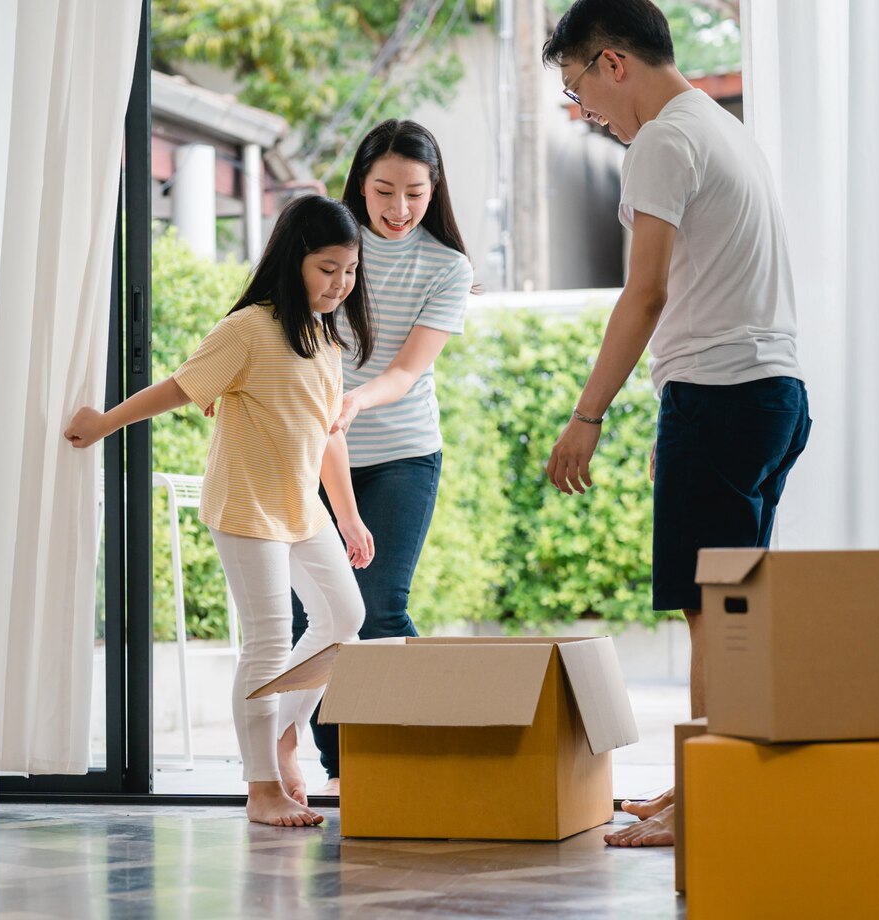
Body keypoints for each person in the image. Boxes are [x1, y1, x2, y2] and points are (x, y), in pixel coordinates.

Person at [540, 0, 812, 847]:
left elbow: (648, 292)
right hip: (768, 395)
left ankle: (707, 801)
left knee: (711, 615)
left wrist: (589, 413)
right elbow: (714, 289)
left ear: (613, 62)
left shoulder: (661, 140)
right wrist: (674, 415)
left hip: (724, 400)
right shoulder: (719, 128)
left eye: (580, 88)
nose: (586, 112)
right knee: (738, 612)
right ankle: (714, 775)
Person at [64, 195, 377, 827]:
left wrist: (348, 517)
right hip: (246, 506)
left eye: (349, 270)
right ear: (293, 261)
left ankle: (280, 736)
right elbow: (181, 387)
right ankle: (261, 786)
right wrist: (102, 425)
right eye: (327, 269)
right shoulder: (246, 329)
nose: (341, 283)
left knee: (346, 618)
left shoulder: (324, 338)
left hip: (301, 508)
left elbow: (327, 436)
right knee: (266, 644)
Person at [289, 120, 475, 797]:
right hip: (310, 455)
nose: (399, 209)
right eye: (384, 191)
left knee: (381, 607)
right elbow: (271, 325)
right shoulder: (327, 245)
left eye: (416, 194)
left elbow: (406, 372)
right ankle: (343, 769)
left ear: (435, 191)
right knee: (313, 614)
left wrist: (355, 402)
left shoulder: (447, 266)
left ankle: (425, 755)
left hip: (400, 452)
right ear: (360, 185)